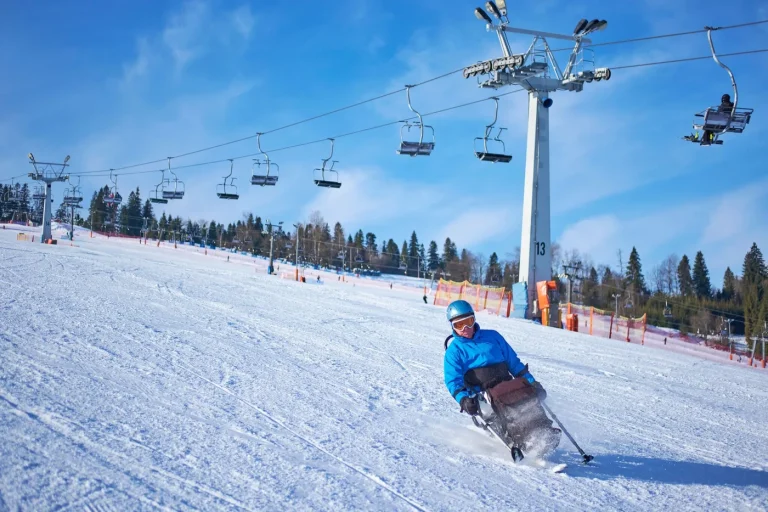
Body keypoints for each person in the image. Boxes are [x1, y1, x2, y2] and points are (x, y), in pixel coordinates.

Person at [443, 300, 560, 457]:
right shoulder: (454, 351)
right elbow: (453, 381)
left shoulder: (493, 337)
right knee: (503, 401)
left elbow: (514, 363)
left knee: (526, 393)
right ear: (452, 326)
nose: (466, 329)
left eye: (469, 322)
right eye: (459, 325)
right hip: (482, 393)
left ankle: (544, 431)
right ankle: (522, 440)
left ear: (474, 319)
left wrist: (532, 383)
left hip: (506, 383)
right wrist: (464, 400)